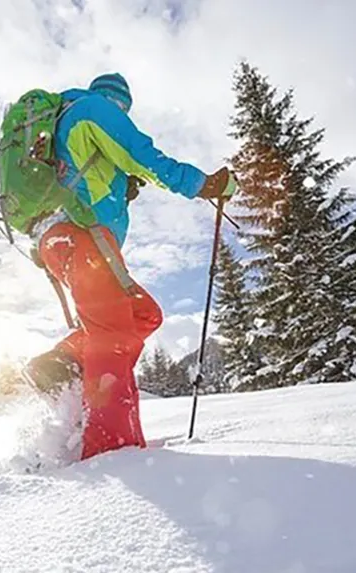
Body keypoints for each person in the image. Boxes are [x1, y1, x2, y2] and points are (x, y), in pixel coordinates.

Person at [21, 72, 237, 464]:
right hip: (80, 236)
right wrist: (205, 184)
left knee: (143, 314)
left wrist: (122, 186)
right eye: (125, 108)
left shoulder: (69, 122)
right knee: (114, 334)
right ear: (119, 101)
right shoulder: (93, 109)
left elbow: (91, 176)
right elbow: (144, 155)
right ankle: (112, 450)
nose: (124, 114)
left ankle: (64, 361)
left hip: (69, 238)